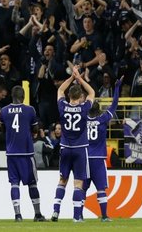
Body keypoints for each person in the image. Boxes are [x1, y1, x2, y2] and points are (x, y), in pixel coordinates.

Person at [51, 66, 94, 223]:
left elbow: (60, 91)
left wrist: (71, 78)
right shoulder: (84, 108)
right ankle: (76, 217)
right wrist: (80, 78)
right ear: (80, 96)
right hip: (80, 149)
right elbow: (92, 93)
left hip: (65, 148)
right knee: (78, 183)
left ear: (69, 95)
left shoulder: (63, 106)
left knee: (62, 180)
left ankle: (55, 211)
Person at [0, 85, 46, 222]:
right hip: (26, 153)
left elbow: (3, 128)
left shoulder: (4, 111)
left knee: (14, 184)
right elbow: (35, 128)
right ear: (23, 97)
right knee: (32, 184)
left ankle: (17, 215)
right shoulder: (29, 110)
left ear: (11, 97)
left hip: (11, 154)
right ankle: (37, 214)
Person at [83, 75, 122, 222]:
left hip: (84, 158)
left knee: (81, 188)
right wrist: (117, 88)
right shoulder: (103, 119)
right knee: (101, 189)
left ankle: (78, 216)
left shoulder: (83, 119)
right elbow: (114, 105)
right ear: (99, 110)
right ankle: (104, 216)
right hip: (99, 159)